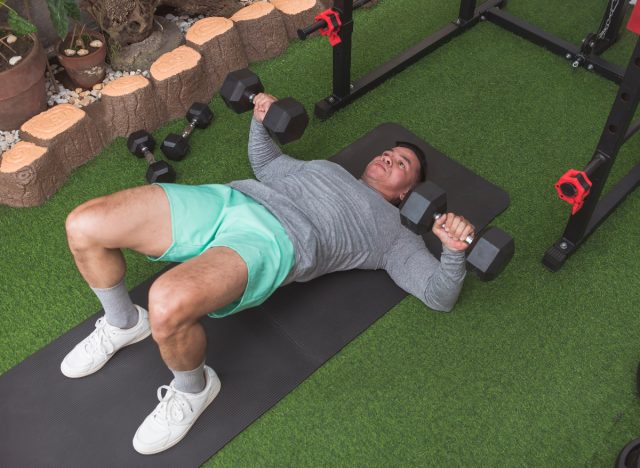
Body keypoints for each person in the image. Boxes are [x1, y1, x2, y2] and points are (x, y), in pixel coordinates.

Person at [60, 93, 475, 455]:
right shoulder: (325, 168)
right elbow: (267, 162)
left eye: (402, 163)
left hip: (276, 239)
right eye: (389, 152)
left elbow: (439, 295)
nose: (388, 157)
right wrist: (260, 120)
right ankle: (124, 322)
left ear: (407, 193)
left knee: (167, 303)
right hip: (231, 199)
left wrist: (453, 251)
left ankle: (194, 389)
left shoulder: (392, 234)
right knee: (84, 225)